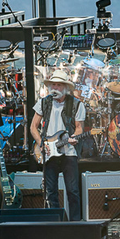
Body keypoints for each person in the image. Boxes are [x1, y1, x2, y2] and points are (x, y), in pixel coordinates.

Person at [30, 69, 86, 221]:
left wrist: (75, 136)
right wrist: (41, 144)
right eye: (53, 85)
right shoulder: (43, 102)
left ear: (66, 88)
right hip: (49, 151)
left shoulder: (77, 105)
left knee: (73, 190)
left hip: (68, 151)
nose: (55, 88)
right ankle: (55, 223)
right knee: (50, 191)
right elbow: (33, 127)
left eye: (59, 85)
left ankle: (75, 224)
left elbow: (79, 127)